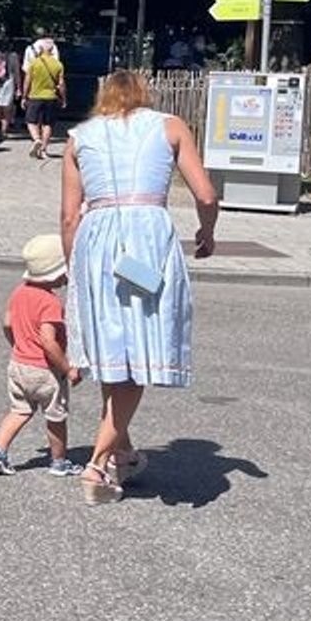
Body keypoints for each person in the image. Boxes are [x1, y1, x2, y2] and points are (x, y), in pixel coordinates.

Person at [60, 70, 219, 505]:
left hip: (97, 243)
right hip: (146, 242)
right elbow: (205, 194)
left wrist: (76, 268)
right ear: (145, 95)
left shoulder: (79, 137)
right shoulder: (168, 126)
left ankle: (123, 452)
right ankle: (97, 463)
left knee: (115, 350)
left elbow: (70, 216)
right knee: (138, 354)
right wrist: (207, 233)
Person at [0, 234, 84, 477]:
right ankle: (59, 462)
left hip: (18, 364)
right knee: (56, 416)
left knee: (19, 410)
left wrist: (16, 344)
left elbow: (7, 322)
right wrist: (68, 368)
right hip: (45, 371)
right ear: (56, 272)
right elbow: (48, 341)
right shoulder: (50, 302)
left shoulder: (19, 292)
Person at [20, 37, 66, 161]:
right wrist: (63, 98)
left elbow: (27, 81)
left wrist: (24, 96)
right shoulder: (58, 64)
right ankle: (44, 149)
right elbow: (61, 84)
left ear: (40, 49)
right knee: (48, 124)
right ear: (52, 50)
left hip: (35, 96)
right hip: (51, 97)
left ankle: (36, 139)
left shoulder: (34, 63)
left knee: (31, 121)